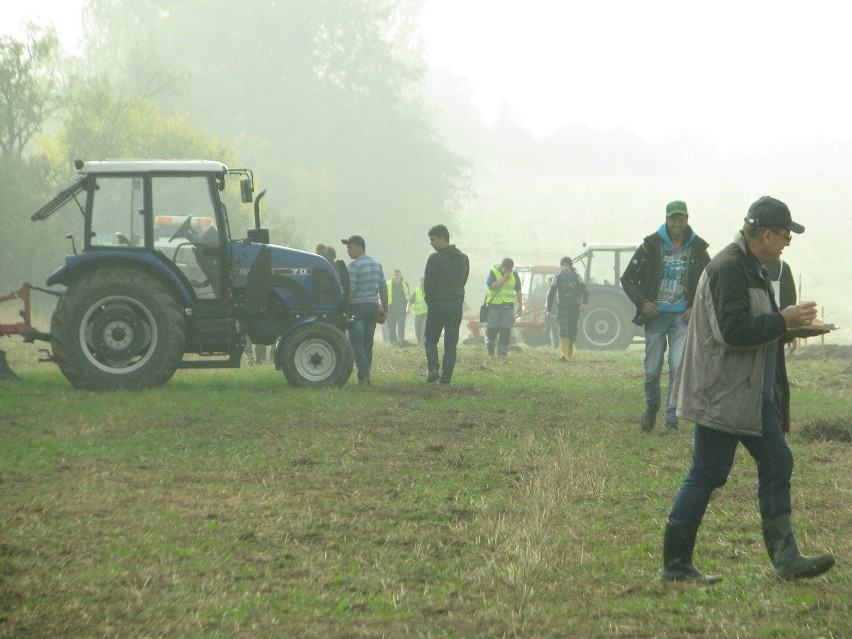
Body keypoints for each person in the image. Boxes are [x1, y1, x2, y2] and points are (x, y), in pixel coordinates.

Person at [661, 196, 835, 584]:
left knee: (776, 461)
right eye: (787, 234)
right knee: (707, 472)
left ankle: (786, 558)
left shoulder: (754, 267)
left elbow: (754, 324)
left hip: (748, 393)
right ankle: (675, 564)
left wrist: (790, 327)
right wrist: (782, 320)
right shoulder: (728, 268)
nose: (789, 241)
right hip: (723, 392)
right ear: (768, 234)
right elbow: (734, 332)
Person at [621, 200, 710, 435]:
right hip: (655, 317)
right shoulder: (650, 246)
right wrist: (644, 302)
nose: (677, 223)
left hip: (682, 318)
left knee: (677, 366)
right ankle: (651, 407)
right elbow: (628, 278)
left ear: (687, 219)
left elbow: (710, 282)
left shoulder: (698, 248)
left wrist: (695, 307)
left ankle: (672, 420)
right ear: (666, 219)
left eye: (681, 219)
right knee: (652, 370)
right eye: (673, 219)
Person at [423, 225, 469, 383]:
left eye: (433, 239)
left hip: (437, 304)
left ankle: (433, 368)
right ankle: (446, 379)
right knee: (451, 344)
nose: (431, 243)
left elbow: (428, 284)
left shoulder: (434, 258)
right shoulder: (463, 258)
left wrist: (430, 301)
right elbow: (463, 280)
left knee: (430, 339)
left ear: (442, 238)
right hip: (455, 305)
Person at [341, 235, 388, 384]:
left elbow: (350, 292)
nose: (348, 251)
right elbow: (383, 290)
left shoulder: (353, 266)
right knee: (368, 343)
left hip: (357, 308)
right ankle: (366, 375)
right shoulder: (377, 264)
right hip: (373, 307)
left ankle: (364, 375)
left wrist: (344, 307)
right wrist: (384, 311)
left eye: (350, 247)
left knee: (356, 343)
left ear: (360, 247)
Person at [546, 257, 589, 361]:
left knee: (572, 332)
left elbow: (585, 292)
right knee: (563, 329)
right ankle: (564, 354)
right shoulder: (557, 278)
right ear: (561, 266)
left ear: (570, 265)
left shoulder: (577, 277)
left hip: (574, 308)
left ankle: (569, 354)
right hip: (562, 308)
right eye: (563, 265)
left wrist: (584, 303)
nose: (565, 266)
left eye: (567, 264)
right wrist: (548, 309)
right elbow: (551, 294)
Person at [484, 258, 523, 357]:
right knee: (492, 330)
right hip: (494, 307)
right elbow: (492, 287)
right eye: (506, 269)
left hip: (508, 307)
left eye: (510, 269)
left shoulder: (514, 274)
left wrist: (520, 305)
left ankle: (502, 353)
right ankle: (490, 349)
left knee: (506, 330)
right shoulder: (493, 272)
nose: (508, 271)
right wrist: (504, 278)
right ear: (502, 267)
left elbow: (518, 290)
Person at [384, 270, 410, 344]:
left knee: (401, 325)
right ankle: (393, 343)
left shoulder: (405, 285)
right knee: (391, 326)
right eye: (395, 275)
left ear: (400, 275)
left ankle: (401, 341)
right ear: (393, 276)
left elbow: (408, 296)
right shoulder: (387, 284)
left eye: (398, 275)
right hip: (391, 309)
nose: (397, 277)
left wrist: (407, 307)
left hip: (402, 309)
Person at [407, 276, 428, 346]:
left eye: (424, 281)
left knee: (424, 328)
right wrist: (408, 308)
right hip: (418, 314)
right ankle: (420, 342)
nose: (422, 283)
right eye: (421, 281)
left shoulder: (430, 291)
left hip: (427, 313)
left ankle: (424, 343)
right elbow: (410, 301)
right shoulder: (416, 291)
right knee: (417, 329)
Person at [542, 277, 560, 350]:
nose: (547, 284)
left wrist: (548, 311)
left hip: (552, 314)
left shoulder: (555, 292)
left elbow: (553, 303)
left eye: (548, 282)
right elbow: (547, 302)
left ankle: (553, 345)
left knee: (551, 331)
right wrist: (545, 306)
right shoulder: (550, 291)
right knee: (549, 330)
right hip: (549, 313)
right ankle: (550, 345)